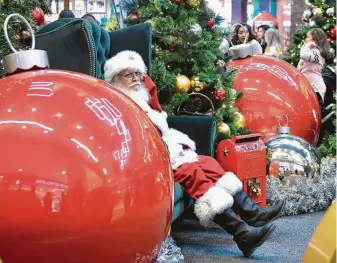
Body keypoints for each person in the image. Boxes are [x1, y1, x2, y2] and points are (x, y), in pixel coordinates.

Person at [104, 50, 286, 258]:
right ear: (115, 79)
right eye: (129, 75)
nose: (137, 79)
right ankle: (241, 233)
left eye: (138, 74)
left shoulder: (141, 100)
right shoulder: (117, 105)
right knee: (192, 171)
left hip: (166, 151)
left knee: (208, 163)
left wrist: (175, 146)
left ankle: (253, 213)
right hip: (147, 160)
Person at [297, 28, 332, 104]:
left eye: (308, 37)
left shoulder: (316, 52)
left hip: (315, 88)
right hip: (308, 86)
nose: (306, 39)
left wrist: (307, 45)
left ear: (315, 39)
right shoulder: (311, 51)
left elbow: (303, 55)